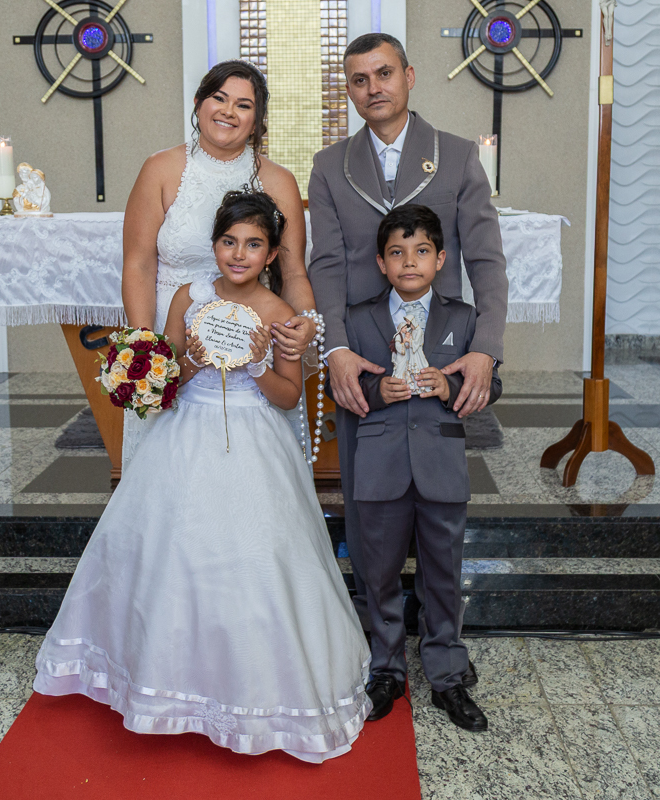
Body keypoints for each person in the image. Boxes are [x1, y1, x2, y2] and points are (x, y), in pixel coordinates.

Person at [33, 190, 371, 763]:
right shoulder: (189, 297)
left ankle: (253, 694)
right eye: (229, 241)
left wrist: (259, 364)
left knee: (253, 559)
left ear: (269, 254)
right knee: (172, 551)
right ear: (214, 245)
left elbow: (289, 397)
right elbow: (165, 383)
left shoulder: (280, 314)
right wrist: (189, 357)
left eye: (253, 244)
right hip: (185, 433)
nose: (239, 254)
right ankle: (162, 682)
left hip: (253, 438)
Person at [307, 32, 509, 681]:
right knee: (370, 514)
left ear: (409, 75)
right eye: (360, 79)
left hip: (438, 359)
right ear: (351, 89)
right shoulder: (331, 164)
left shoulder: (454, 156)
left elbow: (485, 260)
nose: (374, 88)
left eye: (384, 73)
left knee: (440, 513)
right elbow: (328, 263)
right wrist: (334, 348)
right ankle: (384, 657)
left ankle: (447, 653)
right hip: (362, 359)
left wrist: (484, 351)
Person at [335, 204, 501, 731]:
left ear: (441, 259)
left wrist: (452, 386)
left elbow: (490, 384)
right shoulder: (357, 319)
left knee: (443, 576)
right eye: (397, 253)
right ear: (381, 263)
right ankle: (385, 668)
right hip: (380, 465)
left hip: (440, 465)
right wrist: (374, 392)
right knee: (378, 574)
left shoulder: (463, 317)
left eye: (422, 251)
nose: (410, 261)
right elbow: (344, 388)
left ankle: (448, 674)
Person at [119, 60, 318, 471]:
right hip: (172, 330)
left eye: (243, 105)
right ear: (198, 103)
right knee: (168, 466)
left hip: (249, 338)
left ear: (257, 121)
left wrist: (304, 323)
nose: (228, 111)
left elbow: (294, 270)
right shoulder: (160, 169)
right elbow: (138, 263)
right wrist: (144, 346)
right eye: (219, 98)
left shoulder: (279, 181)